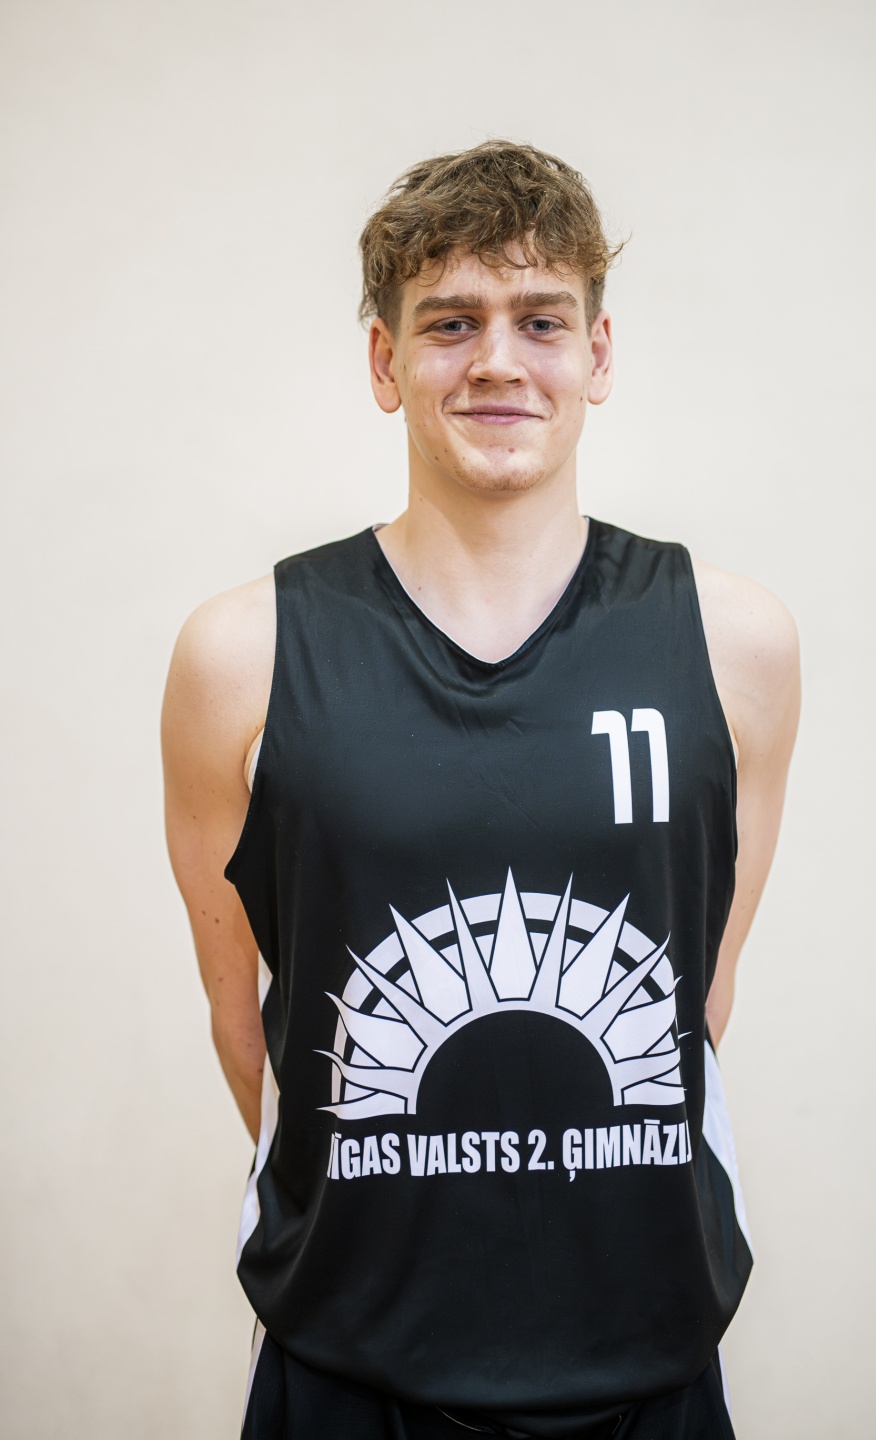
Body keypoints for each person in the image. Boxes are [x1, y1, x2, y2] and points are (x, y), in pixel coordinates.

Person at [162, 141, 800, 1440]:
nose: (499, 361)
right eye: (451, 322)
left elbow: (696, 994)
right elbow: (249, 1026)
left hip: (644, 1352)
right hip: (351, 1363)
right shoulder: (241, 655)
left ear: (598, 355)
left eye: (540, 321)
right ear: (385, 362)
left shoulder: (735, 644)